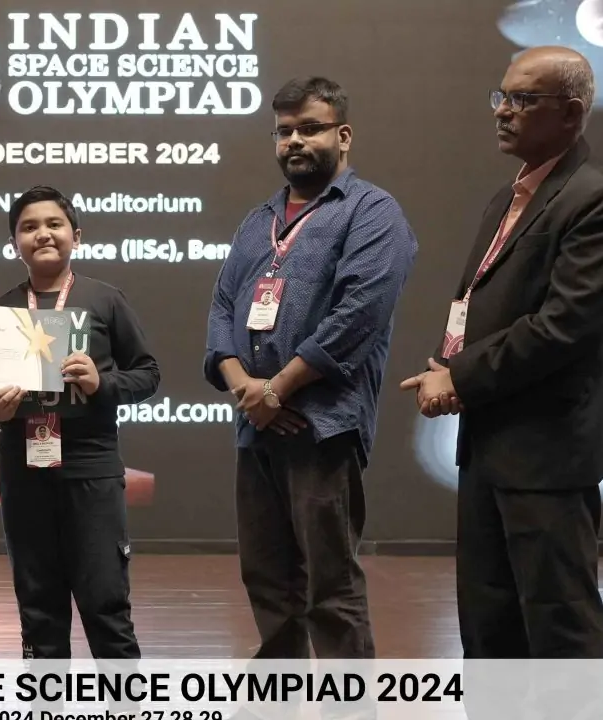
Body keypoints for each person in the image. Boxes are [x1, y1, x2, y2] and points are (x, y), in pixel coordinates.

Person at [399, 46, 603, 660]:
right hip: (489, 444)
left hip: (548, 454)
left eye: (523, 99)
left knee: (558, 626)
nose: (502, 111)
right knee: (489, 624)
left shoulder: (599, 201)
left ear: (572, 113)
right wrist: (443, 364)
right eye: (501, 96)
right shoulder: (509, 197)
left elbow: (562, 327)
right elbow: (480, 302)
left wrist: (458, 376)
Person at [203, 77, 417, 659]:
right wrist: (247, 389)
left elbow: (359, 314)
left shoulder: (372, 212)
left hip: (322, 426)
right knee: (267, 581)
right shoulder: (259, 219)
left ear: (343, 136)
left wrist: (278, 389)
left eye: (310, 128)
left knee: (331, 590)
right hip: (257, 426)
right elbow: (222, 308)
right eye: (284, 131)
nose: (294, 141)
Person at [0, 185, 160, 659]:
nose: (43, 234)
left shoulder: (105, 300)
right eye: (29, 227)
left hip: (91, 467)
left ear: (76, 236)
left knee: (105, 602)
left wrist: (101, 382)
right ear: (15, 243)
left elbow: (148, 375)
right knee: (39, 608)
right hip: (23, 470)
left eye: (54, 224)